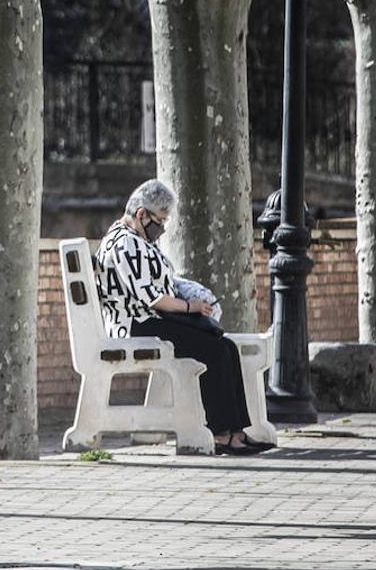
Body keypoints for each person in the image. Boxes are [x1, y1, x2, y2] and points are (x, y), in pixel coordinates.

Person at [94, 179, 273, 456]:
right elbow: (151, 298)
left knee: (225, 346)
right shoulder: (124, 244)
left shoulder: (135, 240)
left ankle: (236, 432)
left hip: (150, 320)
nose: (163, 227)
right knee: (214, 349)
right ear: (142, 214)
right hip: (137, 324)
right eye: (160, 220)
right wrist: (191, 307)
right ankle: (223, 435)